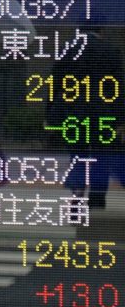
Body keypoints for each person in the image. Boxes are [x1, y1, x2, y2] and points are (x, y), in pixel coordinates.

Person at [49, 24, 125, 209]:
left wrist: (50, 113)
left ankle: (77, 195)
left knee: (78, 156)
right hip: (103, 115)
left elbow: (55, 84)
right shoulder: (111, 51)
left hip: (73, 114)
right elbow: (119, 88)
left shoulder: (68, 51)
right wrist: (121, 119)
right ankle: (97, 202)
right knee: (101, 157)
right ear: (101, 30)